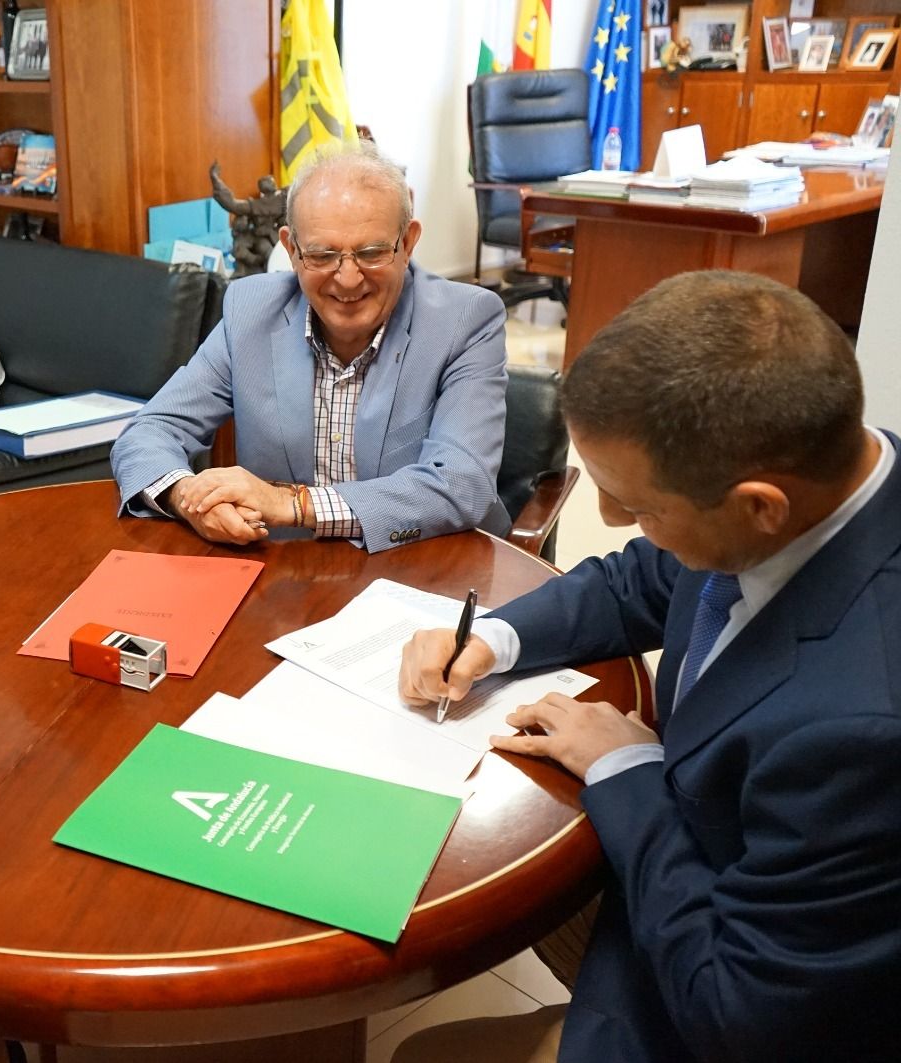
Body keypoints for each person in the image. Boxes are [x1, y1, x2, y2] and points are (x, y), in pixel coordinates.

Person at [395, 271, 901, 1062]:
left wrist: (627, 765)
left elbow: (735, 1013)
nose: (613, 522)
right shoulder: (821, 487)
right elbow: (648, 579)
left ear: (758, 504)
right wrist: (493, 637)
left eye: (641, 507)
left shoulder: (862, 728)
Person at [113, 141, 510, 552]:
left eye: (372, 252)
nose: (349, 278)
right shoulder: (250, 310)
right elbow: (151, 431)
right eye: (322, 255)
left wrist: (293, 504)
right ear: (291, 250)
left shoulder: (466, 320)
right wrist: (188, 498)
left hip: (420, 567)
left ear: (408, 243)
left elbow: (463, 483)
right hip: (285, 577)